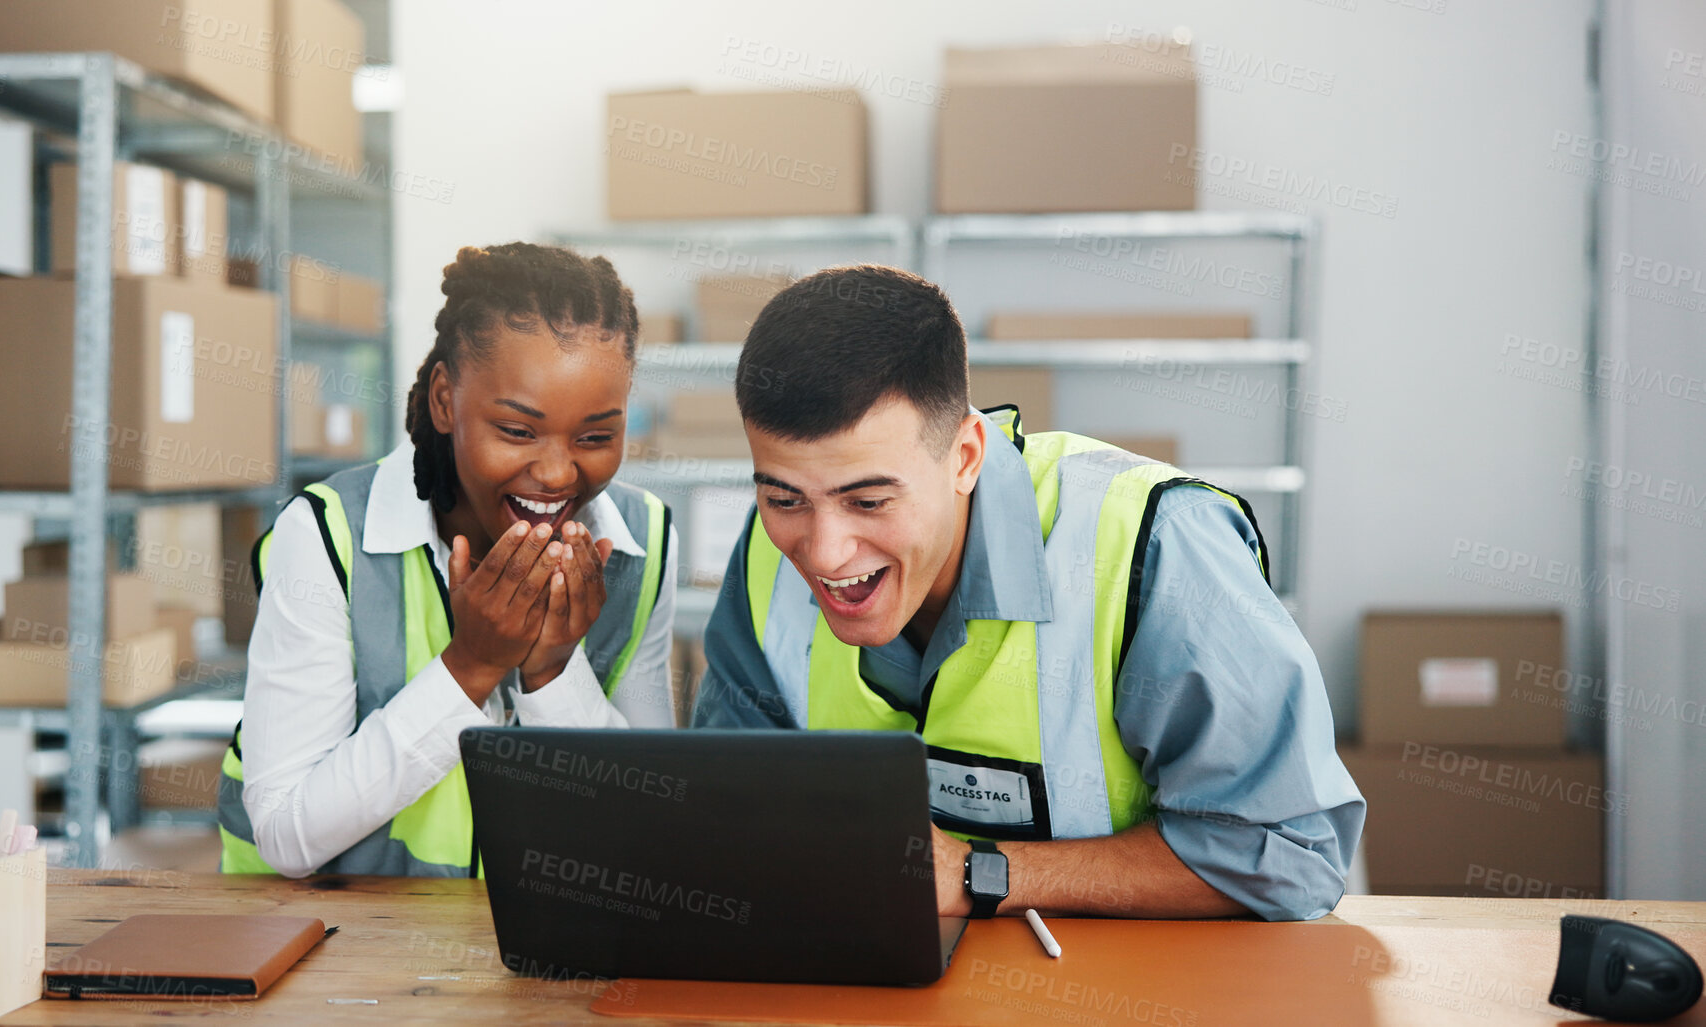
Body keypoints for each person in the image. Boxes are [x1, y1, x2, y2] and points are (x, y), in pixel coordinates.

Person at [692, 265, 1364, 922]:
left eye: (867, 500)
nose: (823, 548)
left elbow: (1288, 855)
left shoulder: (1157, 545)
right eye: (784, 497)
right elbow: (732, 815)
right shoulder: (764, 552)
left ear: (964, 456)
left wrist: (977, 874)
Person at [219, 243, 677, 877]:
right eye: (517, 431)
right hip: (334, 952)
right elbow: (286, 834)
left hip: (524, 953)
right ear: (443, 400)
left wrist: (551, 672)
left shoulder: (644, 542)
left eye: (596, 436)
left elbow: (650, 833)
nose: (556, 472)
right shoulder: (326, 536)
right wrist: (473, 665)